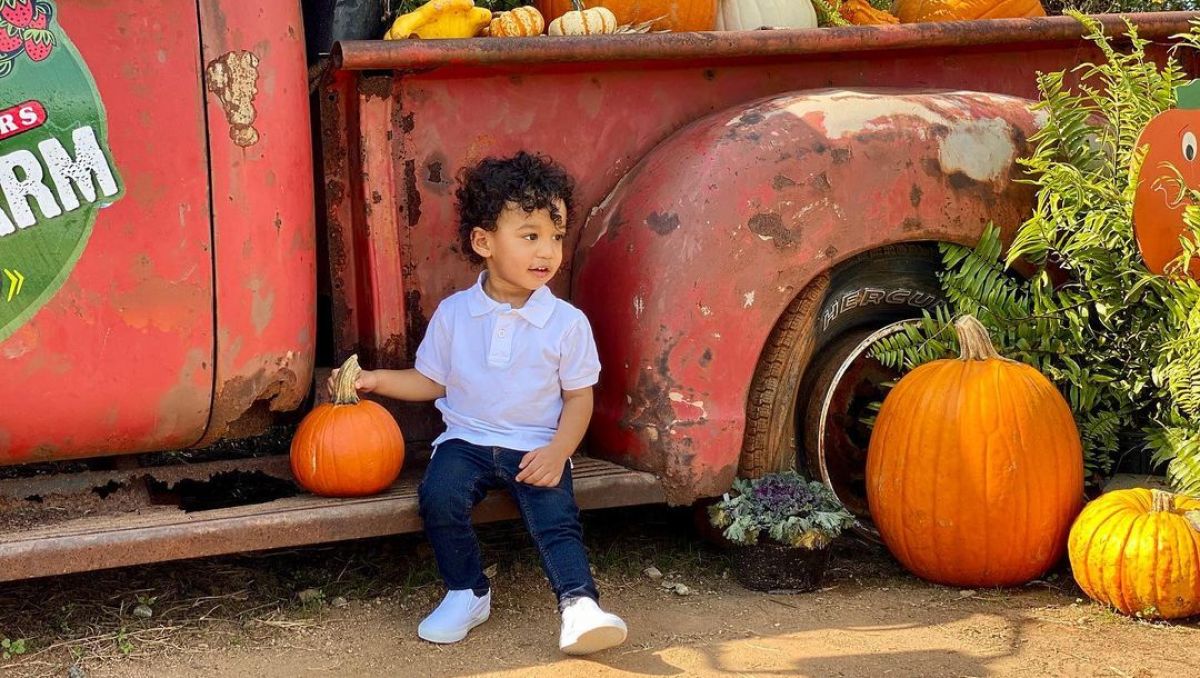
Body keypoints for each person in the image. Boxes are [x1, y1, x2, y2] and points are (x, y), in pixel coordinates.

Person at [329, 151, 627, 654]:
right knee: (439, 498)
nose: (547, 251)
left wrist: (558, 452)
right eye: (530, 235)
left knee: (555, 514)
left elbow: (579, 398)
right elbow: (432, 381)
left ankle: (579, 605)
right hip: (464, 441)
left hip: (535, 443)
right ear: (484, 242)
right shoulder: (455, 314)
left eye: (555, 236)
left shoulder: (566, 323)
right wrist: (377, 380)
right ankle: (467, 591)